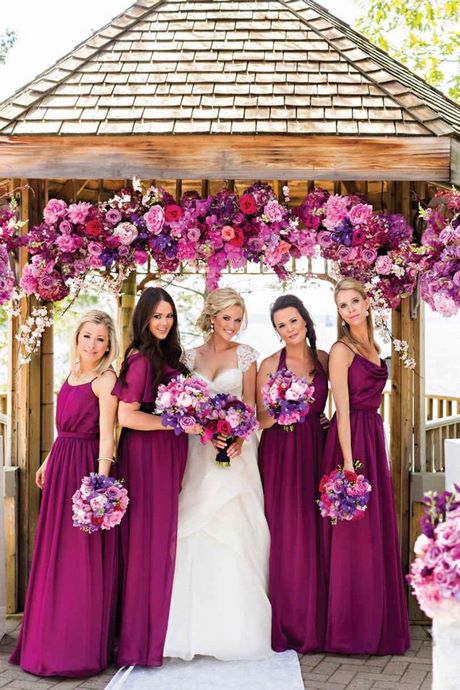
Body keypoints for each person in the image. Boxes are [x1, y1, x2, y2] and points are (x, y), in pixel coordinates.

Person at [164, 287, 272, 661]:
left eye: (238, 319)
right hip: (197, 450)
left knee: (237, 528)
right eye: (226, 317)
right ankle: (189, 629)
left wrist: (241, 435)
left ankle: (237, 630)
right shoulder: (187, 355)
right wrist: (198, 426)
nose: (233, 325)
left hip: (236, 451)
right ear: (212, 316)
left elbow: (253, 406)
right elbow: (181, 405)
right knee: (192, 524)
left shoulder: (248, 356)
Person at [10, 310, 119, 677]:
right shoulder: (70, 374)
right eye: (87, 336)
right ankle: (46, 642)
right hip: (61, 469)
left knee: (79, 558)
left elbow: (108, 435)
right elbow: (63, 430)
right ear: (77, 338)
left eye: (100, 339)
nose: (92, 344)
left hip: (87, 471)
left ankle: (75, 649)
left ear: (109, 344)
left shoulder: (106, 381)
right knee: (55, 554)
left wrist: (99, 487)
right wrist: (47, 460)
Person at [321, 277, 409, 655]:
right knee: (353, 538)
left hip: (372, 434)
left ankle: (377, 623)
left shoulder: (374, 346)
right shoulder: (341, 350)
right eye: (343, 305)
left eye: (354, 301)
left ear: (368, 302)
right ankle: (350, 631)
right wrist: (347, 463)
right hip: (352, 439)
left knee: (373, 533)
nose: (350, 309)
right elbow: (340, 410)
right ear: (339, 313)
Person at [113, 287, 197, 668]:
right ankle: (138, 643)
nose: (164, 323)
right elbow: (127, 416)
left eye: (169, 316)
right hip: (146, 458)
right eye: (156, 316)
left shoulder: (168, 356)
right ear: (143, 318)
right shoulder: (141, 361)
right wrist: (176, 421)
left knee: (161, 540)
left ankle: (155, 633)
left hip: (167, 455)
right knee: (148, 542)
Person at [257, 294, 329, 653]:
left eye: (293, 321)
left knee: (312, 532)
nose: (289, 329)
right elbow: (260, 419)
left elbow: (334, 404)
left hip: (315, 448)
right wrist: (285, 405)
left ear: (305, 320)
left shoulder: (325, 360)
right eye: (281, 325)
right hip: (280, 451)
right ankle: (284, 622)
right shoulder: (270, 363)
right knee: (284, 534)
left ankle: (313, 620)